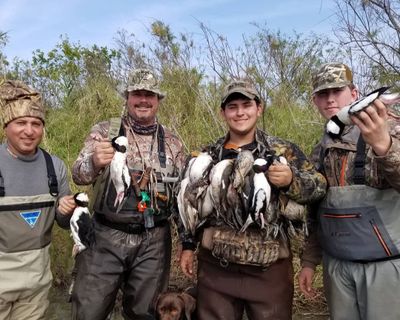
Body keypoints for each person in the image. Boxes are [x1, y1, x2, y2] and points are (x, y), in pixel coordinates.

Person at [179, 80, 327, 320]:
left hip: (269, 269)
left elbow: (320, 188)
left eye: (246, 105)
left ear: (259, 108)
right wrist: (187, 245)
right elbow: (188, 204)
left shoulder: (282, 151)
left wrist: (292, 180)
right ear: (223, 112)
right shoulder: (206, 155)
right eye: (232, 106)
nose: (240, 112)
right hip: (217, 268)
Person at [71, 68, 185, 320]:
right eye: (137, 94)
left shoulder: (173, 142)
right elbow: (79, 175)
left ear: (158, 100)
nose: (143, 99)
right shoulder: (105, 131)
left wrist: (186, 244)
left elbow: (181, 199)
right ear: (127, 97)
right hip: (104, 237)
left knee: (145, 314)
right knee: (88, 311)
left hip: (154, 240)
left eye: (150, 94)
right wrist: (94, 161)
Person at [298, 63, 400, 320]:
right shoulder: (321, 147)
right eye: (323, 93)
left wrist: (384, 146)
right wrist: (310, 261)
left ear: (354, 94)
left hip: (385, 266)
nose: (330, 98)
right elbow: (316, 209)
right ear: (315, 101)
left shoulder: (391, 127)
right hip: (338, 267)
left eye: (337, 90)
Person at [0, 80, 76, 319]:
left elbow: (64, 223)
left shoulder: (54, 167)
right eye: (20, 123)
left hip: (36, 284)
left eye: (36, 123)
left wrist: (66, 210)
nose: (29, 131)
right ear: (6, 126)